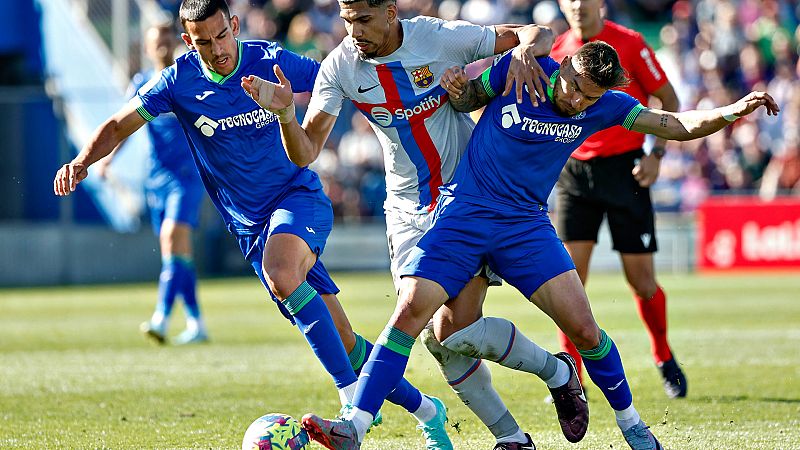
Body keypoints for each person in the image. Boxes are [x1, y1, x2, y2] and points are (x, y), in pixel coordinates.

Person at [298, 41, 779, 450]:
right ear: (565, 65)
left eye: (590, 97)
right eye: (573, 87)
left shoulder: (606, 107)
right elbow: (467, 103)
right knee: (414, 318)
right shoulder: (523, 69)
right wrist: (459, 86)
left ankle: (633, 427)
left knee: (586, 331)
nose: (576, 101)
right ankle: (355, 427)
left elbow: (675, 125)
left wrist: (735, 110)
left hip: (525, 227)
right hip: (463, 215)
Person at [52, 1, 452, 448]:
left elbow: (337, 78)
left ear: (234, 25)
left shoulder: (270, 60)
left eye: (222, 35)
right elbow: (119, 123)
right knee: (344, 340)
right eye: (203, 42)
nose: (217, 48)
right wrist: (83, 161)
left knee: (282, 272)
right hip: (251, 229)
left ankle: (348, 400)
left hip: (298, 199)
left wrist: (408, 105)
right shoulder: (178, 82)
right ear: (189, 41)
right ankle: (429, 412)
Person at [241, 0, 589, 448]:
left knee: (440, 325)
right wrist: (288, 115)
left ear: (390, 13)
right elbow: (306, 152)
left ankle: (358, 424)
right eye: (347, 22)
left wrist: (523, 50)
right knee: (440, 341)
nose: (354, 32)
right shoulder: (341, 66)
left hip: (466, 202)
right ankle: (527, 415)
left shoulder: (438, 39)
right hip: (405, 209)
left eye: (363, 20)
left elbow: (536, 32)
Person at [550, 0, 686, 398]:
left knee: (642, 282)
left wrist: (655, 154)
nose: (576, 5)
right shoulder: (558, 49)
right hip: (576, 174)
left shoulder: (630, 43)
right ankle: (570, 374)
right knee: (567, 282)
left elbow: (669, 100)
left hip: (627, 171)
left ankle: (662, 355)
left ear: (600, 4)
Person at [97, 23, 209, 346]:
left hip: (187, 178)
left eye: (166, 38)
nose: (161, 45)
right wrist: (107, 159)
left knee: (172, 238)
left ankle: (161, 317)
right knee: (176, 253)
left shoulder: (186, 79)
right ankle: (196, 322)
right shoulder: (143, 83)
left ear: (175, 42)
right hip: (156, 179)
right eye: (155, 40)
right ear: (147, 48)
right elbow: (124, 126)